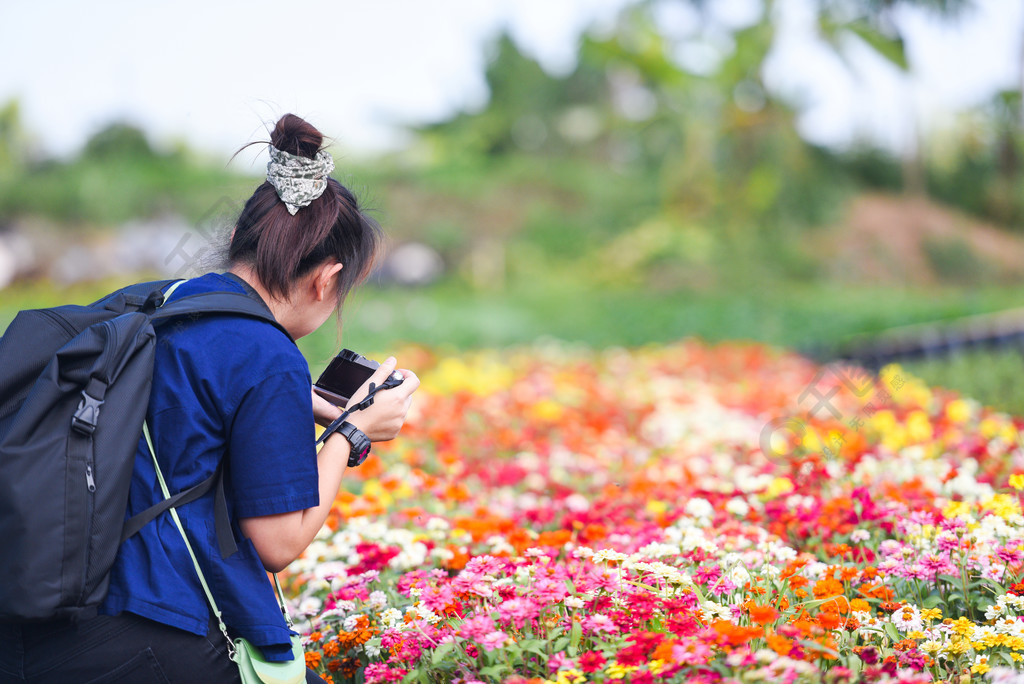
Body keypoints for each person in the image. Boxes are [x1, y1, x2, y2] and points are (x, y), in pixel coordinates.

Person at [0, 114, 419, 683]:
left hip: (38, 621)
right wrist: (352, 434)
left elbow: (173, 409)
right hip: (147, 632)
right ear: (327, 279)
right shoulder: (267, 354)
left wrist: (298, 404)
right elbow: (279, 541)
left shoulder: (152, 301)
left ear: (231, 243)